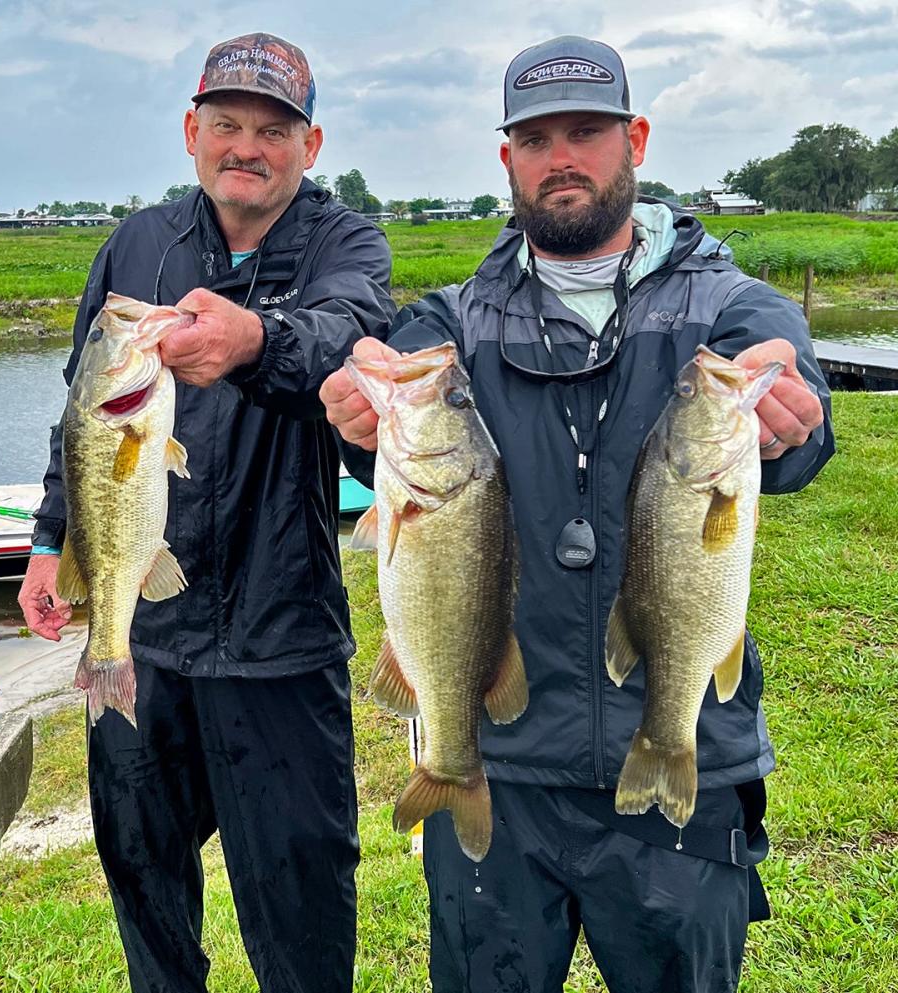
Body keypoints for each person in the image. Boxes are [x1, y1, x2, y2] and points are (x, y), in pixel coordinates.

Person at [321, 36, 832, 993]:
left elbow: (788, 392)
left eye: (587, 131)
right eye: (536, 137)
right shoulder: (454, 321)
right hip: (504, 770)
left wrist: (790, 422)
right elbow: (391, 377)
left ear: (633, 138)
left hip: (688, 769)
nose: (563, 156)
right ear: (506, 158)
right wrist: (363, 408)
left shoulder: (726, 304)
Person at [17, 32, 395, 993]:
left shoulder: (344, 241)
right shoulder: (137, 243)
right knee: (141, 873)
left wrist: (254, 338)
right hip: (148, 634)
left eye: (274, 129)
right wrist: (52, 541)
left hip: (283, 635)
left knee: (301, 892)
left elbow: (344, 336)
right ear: (192, 131)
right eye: (226, 123)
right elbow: (83, 412)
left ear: (309, 147)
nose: (247, 146)